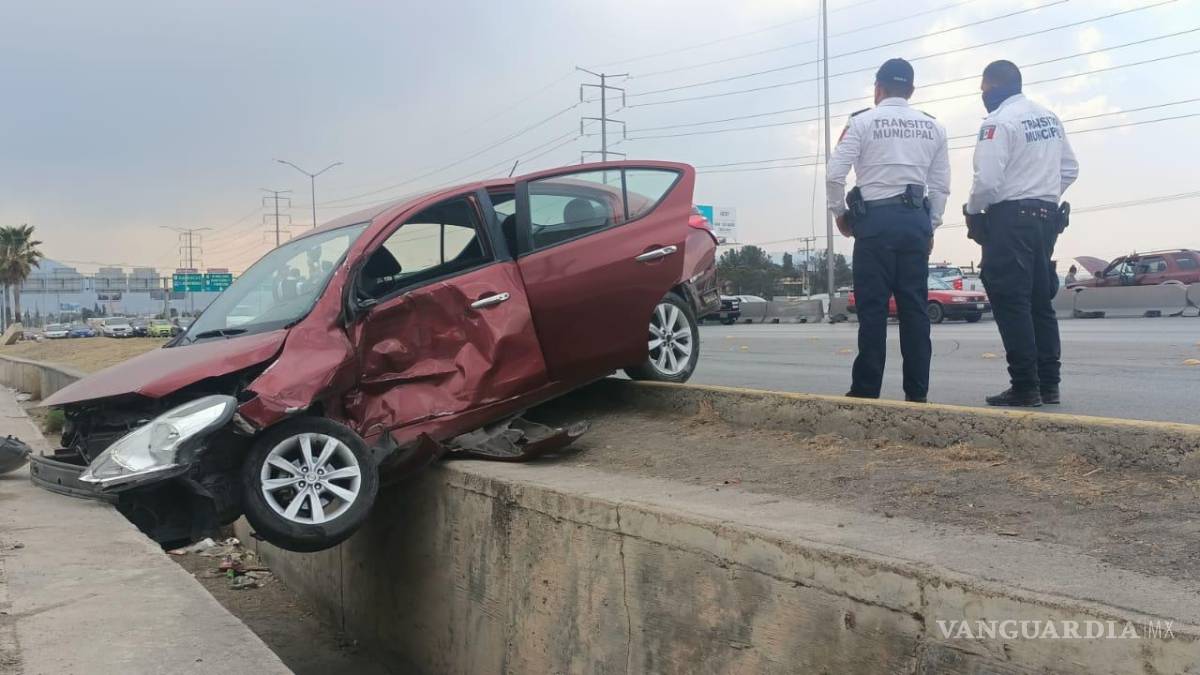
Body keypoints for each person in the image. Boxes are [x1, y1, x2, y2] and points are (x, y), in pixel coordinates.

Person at [827, 58, 950, 403]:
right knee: (914, 312)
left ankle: (867, 391)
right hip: (914, 224)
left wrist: (840, 214)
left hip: (874, 226)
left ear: (877, 88)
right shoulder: (933, 127)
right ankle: (917, 395)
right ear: (911, 90)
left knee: (872, 312)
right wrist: (931, 226)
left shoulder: (861, 122)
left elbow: (835, 175)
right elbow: (940, 186)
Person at [965, 60, 1078, 407]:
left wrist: (973, 211)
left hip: (1010, 220)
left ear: (993, 87)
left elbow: (987, 181)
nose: (983, 96)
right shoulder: (1048, 117)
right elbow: (1070, 169)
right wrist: (1043, 195)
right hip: (1045, 220)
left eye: (983, 90)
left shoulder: (998, 121)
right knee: (1038, 303)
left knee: (1011, 302)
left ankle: (1025, 385)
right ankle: (1049, 384)